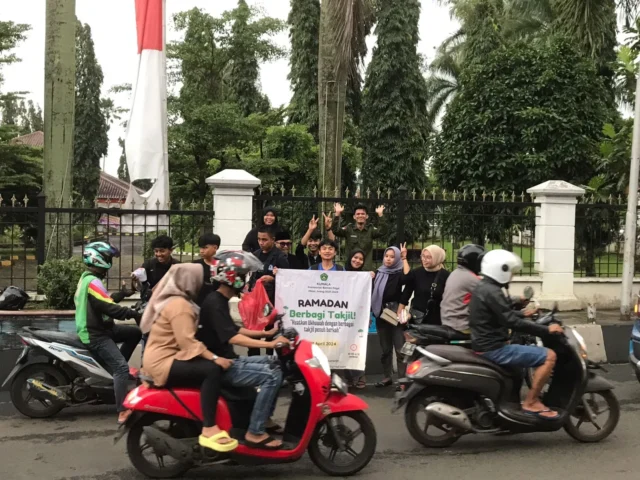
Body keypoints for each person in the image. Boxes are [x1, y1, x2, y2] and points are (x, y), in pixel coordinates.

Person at [198, 251, 291, 450]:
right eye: (243, 275)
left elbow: (234, 329)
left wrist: (267, 334)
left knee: (276, 365)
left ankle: (263, 419)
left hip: (228, 359)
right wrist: (270, 345)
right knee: (272, 376)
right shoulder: (214, 303)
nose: (246, 279)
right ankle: (256, 431)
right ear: (233, 277)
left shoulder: (219, 300)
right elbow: (233, 337)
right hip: (223, 365)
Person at [140, 264, 238, 453]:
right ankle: (209, 427)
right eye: (199, 280)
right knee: (211, 370)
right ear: (189, 282)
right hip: (163, 362)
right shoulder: (180, 306)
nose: (202, 285)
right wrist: (215, 357)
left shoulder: (178, 301)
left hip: (164, 357)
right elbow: (187, 342)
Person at [470, 249, 563, 419]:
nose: (512, 276)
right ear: (501, 270)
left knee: (518, 369)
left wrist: (522, 314)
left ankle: (510, 404)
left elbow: (500, 313)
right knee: (549, 356)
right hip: (494, 348)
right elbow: (511, 322)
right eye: (510, 272)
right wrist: (546, 330)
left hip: (486, 344)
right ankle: (531, 402)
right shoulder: (492, 291)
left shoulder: (486, 287)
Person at [74, 242, 142, 425]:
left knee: (134, 334)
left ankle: (114, 372)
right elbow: (109, 308)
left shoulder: (88, 278)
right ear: (100, 259)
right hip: (95, 334)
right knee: (121, 367)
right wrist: (133, 314)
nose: (110, 261)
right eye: (109, 258)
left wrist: (123, 294)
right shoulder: (92, 281)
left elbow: (104, 301)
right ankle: (122, 410)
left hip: (103, 328)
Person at [248, 225, 289, 356]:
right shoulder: (255, 255)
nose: (261, 242)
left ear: (272, 240)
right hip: (256, 301)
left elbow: (288, 279)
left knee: (270, 333)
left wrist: (273, 278)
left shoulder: (280, 257)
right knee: (254, 332)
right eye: (259, 239)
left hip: (272, 301)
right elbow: (251, 277)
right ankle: (253, 360)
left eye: (264, 239)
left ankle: (271, 361)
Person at [372, 246, 406, 390]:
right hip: (381, 314)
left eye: (393, 257)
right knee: (385, 349)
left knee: (400, 349)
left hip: (395, 313)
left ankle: (403, 381)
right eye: (387, 256)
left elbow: (409, 278)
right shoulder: (379, 272)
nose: (389, 259)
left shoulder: (400, 274)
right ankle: (387, 377)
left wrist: (404, 258)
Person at [344, 249, 375, 389]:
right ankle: (348, 377)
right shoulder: (341, 274)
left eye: (361, 259)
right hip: (342, 316)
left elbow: (368, 298)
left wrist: (367, 316)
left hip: (359, 316)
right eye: (355, 257)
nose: (357, 261)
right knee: (343, 345)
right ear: (350, 258)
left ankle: (360, 375)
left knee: (358, 346)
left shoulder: (366, 277)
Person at [398, 245, 450, 326]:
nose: (424, 260)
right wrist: (400, 312)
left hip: (438, 322)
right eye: (423, 256)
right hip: (418, 320)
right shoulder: (417, 273)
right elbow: (406, 293)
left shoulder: (445, 276)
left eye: (429, 257)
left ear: (437, 258)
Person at [327, 203, 387, 271]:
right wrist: (337, 214)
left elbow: (383, 231)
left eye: (363, 214)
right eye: (358, 214)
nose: (360, 215)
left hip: (365, 270)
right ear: (354, 217)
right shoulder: (349, 229)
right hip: (350, 269)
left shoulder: (371, 229)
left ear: (367, 216)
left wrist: (380, 215)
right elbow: (335, 230)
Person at [440, 244, 485, 333]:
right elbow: (490, 296)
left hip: (449, 321)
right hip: (461, 325)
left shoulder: (456, 273)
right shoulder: (469, 278)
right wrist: (517, 299)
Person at [193, 233, 221, 306]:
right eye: (201, 248)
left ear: (215, 247)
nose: (201, 251)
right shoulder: (196, 265)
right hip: (199, 304)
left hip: (217, 304)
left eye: (205, 247)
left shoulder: (222, 265)